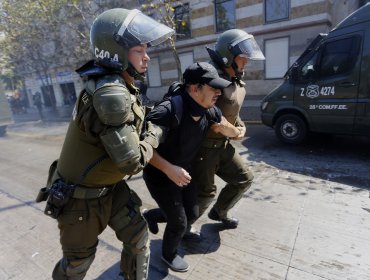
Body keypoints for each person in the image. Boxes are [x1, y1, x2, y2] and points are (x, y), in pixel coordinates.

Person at [37, 8, 174, 280]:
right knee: (77, 265)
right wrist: (155, 134)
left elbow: (131, 123)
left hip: (110, 189)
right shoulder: (110, 94)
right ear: (118, 53)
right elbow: (132, 161)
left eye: (146, 49)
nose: (146, 57)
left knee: (138, 238)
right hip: (80, 199)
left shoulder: (118, 84)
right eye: (138, 50)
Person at [142, 62, 240, 272]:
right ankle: (168, 255)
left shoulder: (210, 111)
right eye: (212, 87)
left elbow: (234, 133)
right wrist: (169, 169)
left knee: (192, 211)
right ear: (194, 88)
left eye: (219, 87)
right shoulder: (167, 111)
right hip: (160, 174)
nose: (218, 92)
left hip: (184, 172)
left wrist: (230, 129)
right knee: (178, 223)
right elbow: (144, 149)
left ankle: (151, 215)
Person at [189, 29, 265, 231]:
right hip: (203, 149)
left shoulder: (237, 80)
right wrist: (234, 131)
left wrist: (240, 126)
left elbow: (232, 111)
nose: (246, 62)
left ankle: (220, 211)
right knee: (204, 194)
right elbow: (212, 118)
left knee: (244, 179)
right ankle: (183, 228)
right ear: (228, 56)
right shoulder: (210, 79)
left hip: (223, 145)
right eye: (243, 58)